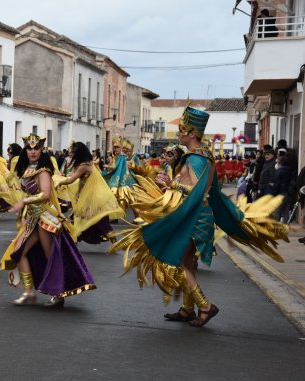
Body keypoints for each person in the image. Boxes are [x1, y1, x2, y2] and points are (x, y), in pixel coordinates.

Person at [110, 102, 288, 327]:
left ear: (192, 133)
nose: (179, 134)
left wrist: (171, 186)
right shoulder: (201, 155)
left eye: (182, 130)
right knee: (188, 263)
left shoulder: (196, 158)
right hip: (196, 214)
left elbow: (198, 189)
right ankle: (187, 309)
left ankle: (205, 306)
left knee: (179, 263)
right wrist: (171, 183)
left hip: (195, 217)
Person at [0, 133, 96, 307]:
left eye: (36, 148)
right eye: (29, 148)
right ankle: (29, 292)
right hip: (32, 217)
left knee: (50, 255)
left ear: (41, 149)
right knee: (18, 251)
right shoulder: (27, 168)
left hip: (44, 217)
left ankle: (58, 294)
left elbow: (45, 194)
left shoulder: (43, 170)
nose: (33, 151)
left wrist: (24, 201)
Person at [55, 142, 124, 243]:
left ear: (79, 153)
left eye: (74, 152)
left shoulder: (84, 165)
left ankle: (76, 240)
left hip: (91, 196)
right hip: (91, 194)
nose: (72, 154)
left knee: (93, 218)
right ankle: (75, 239)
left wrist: (58, 181)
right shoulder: (88, 163)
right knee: (87, 217)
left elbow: (71, 180)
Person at [274, 155, 293, 222]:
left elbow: (277, 183)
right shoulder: (290, 170)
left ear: (280, 162)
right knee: (285, 212)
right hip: (288, 193)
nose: (276, 163)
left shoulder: (279, 171)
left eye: (277, 162)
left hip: (280, 193)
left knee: (277, 213)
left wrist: (274, 193)